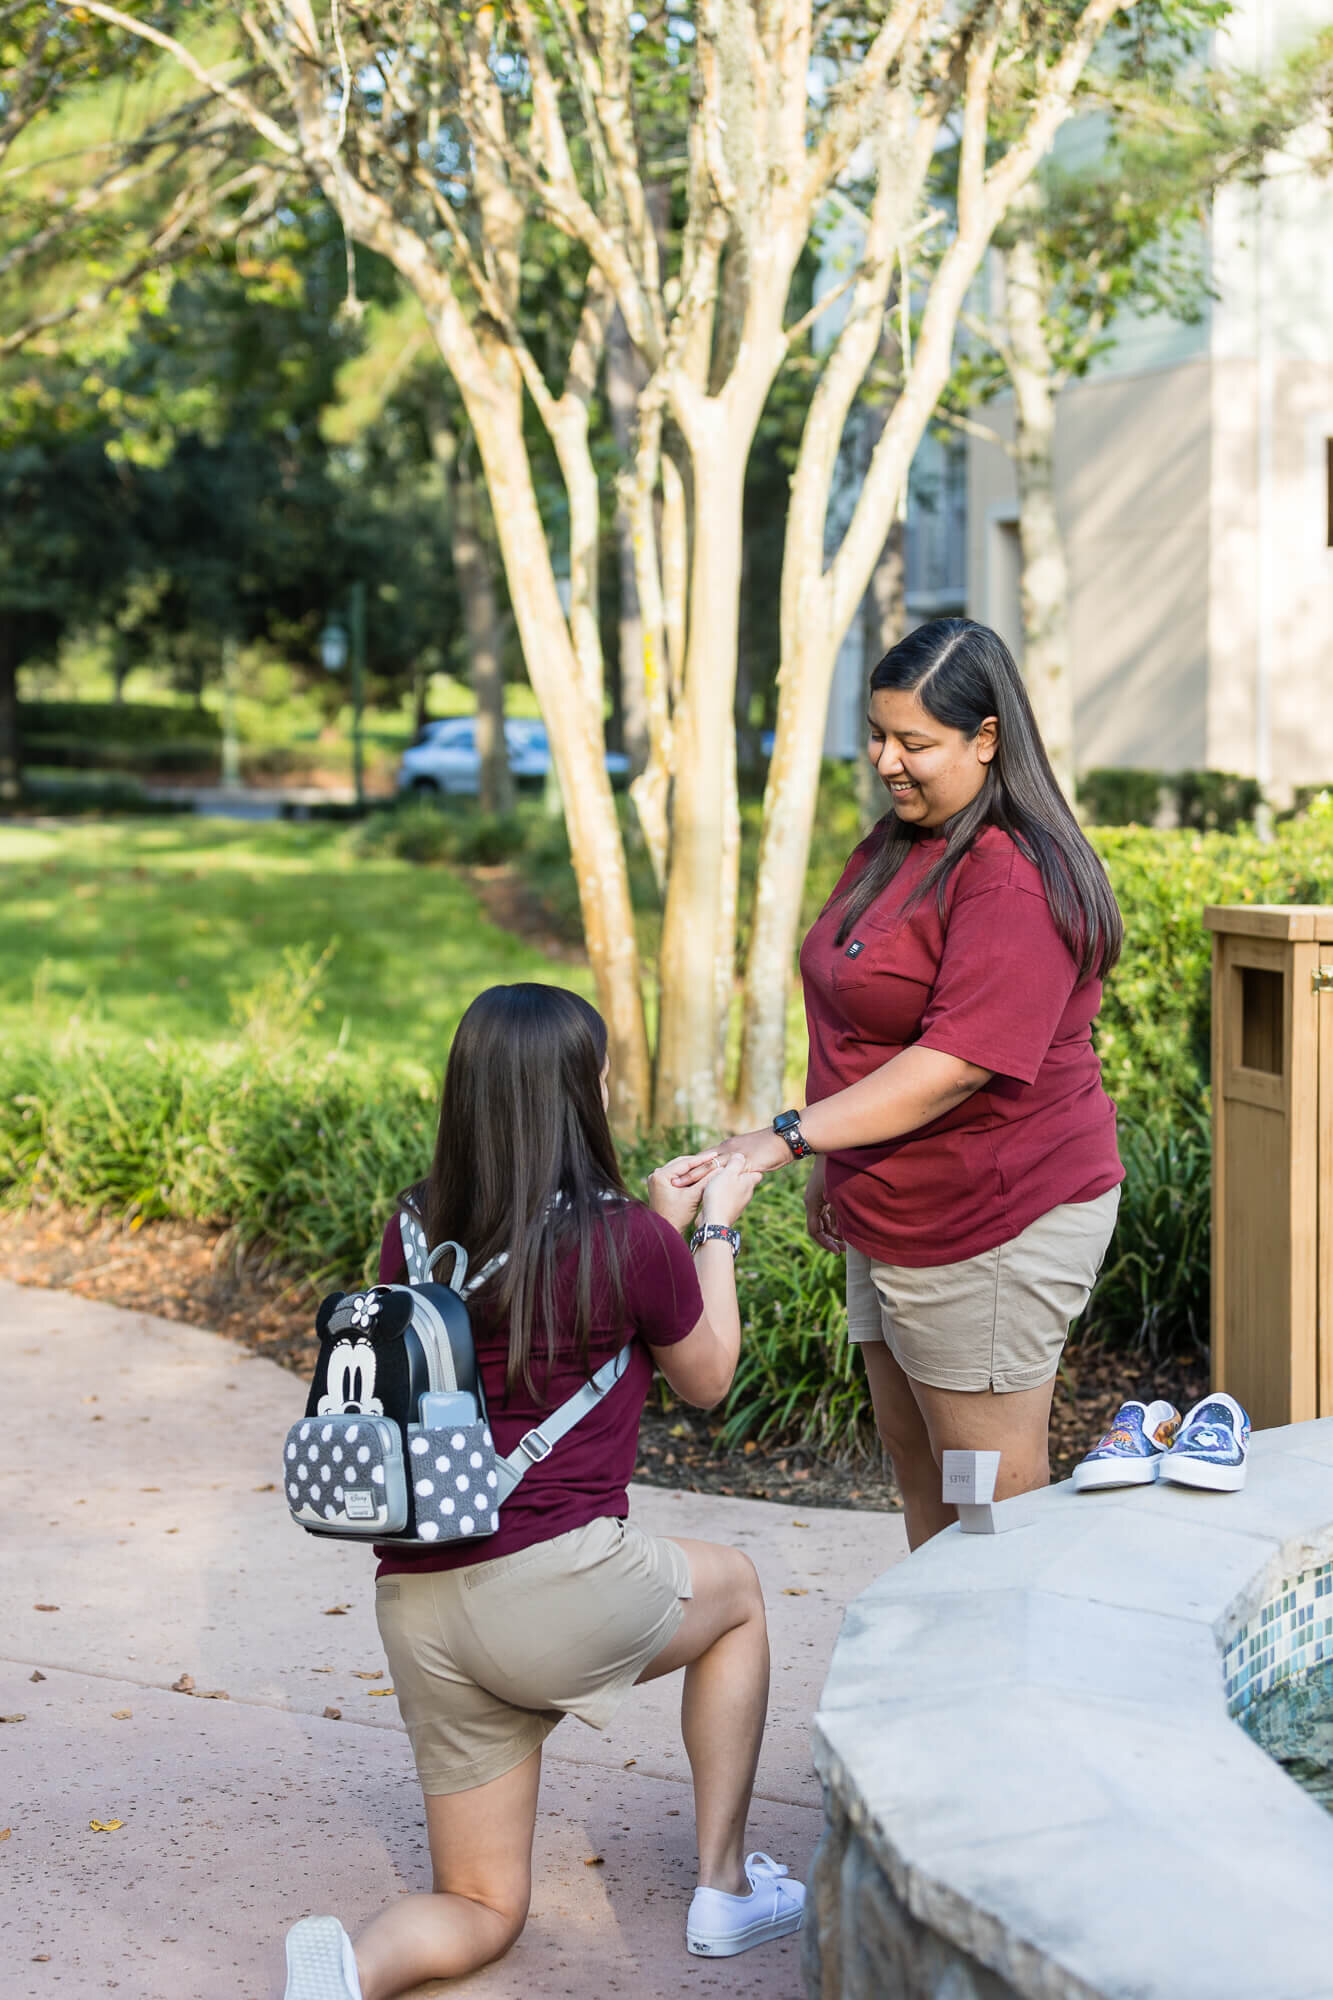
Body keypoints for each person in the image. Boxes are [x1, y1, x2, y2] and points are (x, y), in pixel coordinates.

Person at [281, 983, 805, 2000]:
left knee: (482, 1906)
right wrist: (711, 1231)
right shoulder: (631, 1241)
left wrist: (652, 1219)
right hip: (556, 1584)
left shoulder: (414, 1224)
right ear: (584, 1089)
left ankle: (350, 1967)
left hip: (422, 1600)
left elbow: (520, 1297)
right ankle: (726, 1885)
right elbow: (705, 1377)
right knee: (735, 1594)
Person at [677, 619, 1123, 1550]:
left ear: (986, 738)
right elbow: (850, 1008)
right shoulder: (903, 842)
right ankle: (937, 1677)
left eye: (914, 742)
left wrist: (785, 1137)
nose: (886, 760)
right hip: (891, 1203)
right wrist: (829, 1163)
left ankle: (1003, 1685)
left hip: (988, 1215)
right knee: (918, 1461)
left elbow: (955, 1062)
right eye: (878, 735)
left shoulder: (1010, 877)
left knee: (989, 1502)